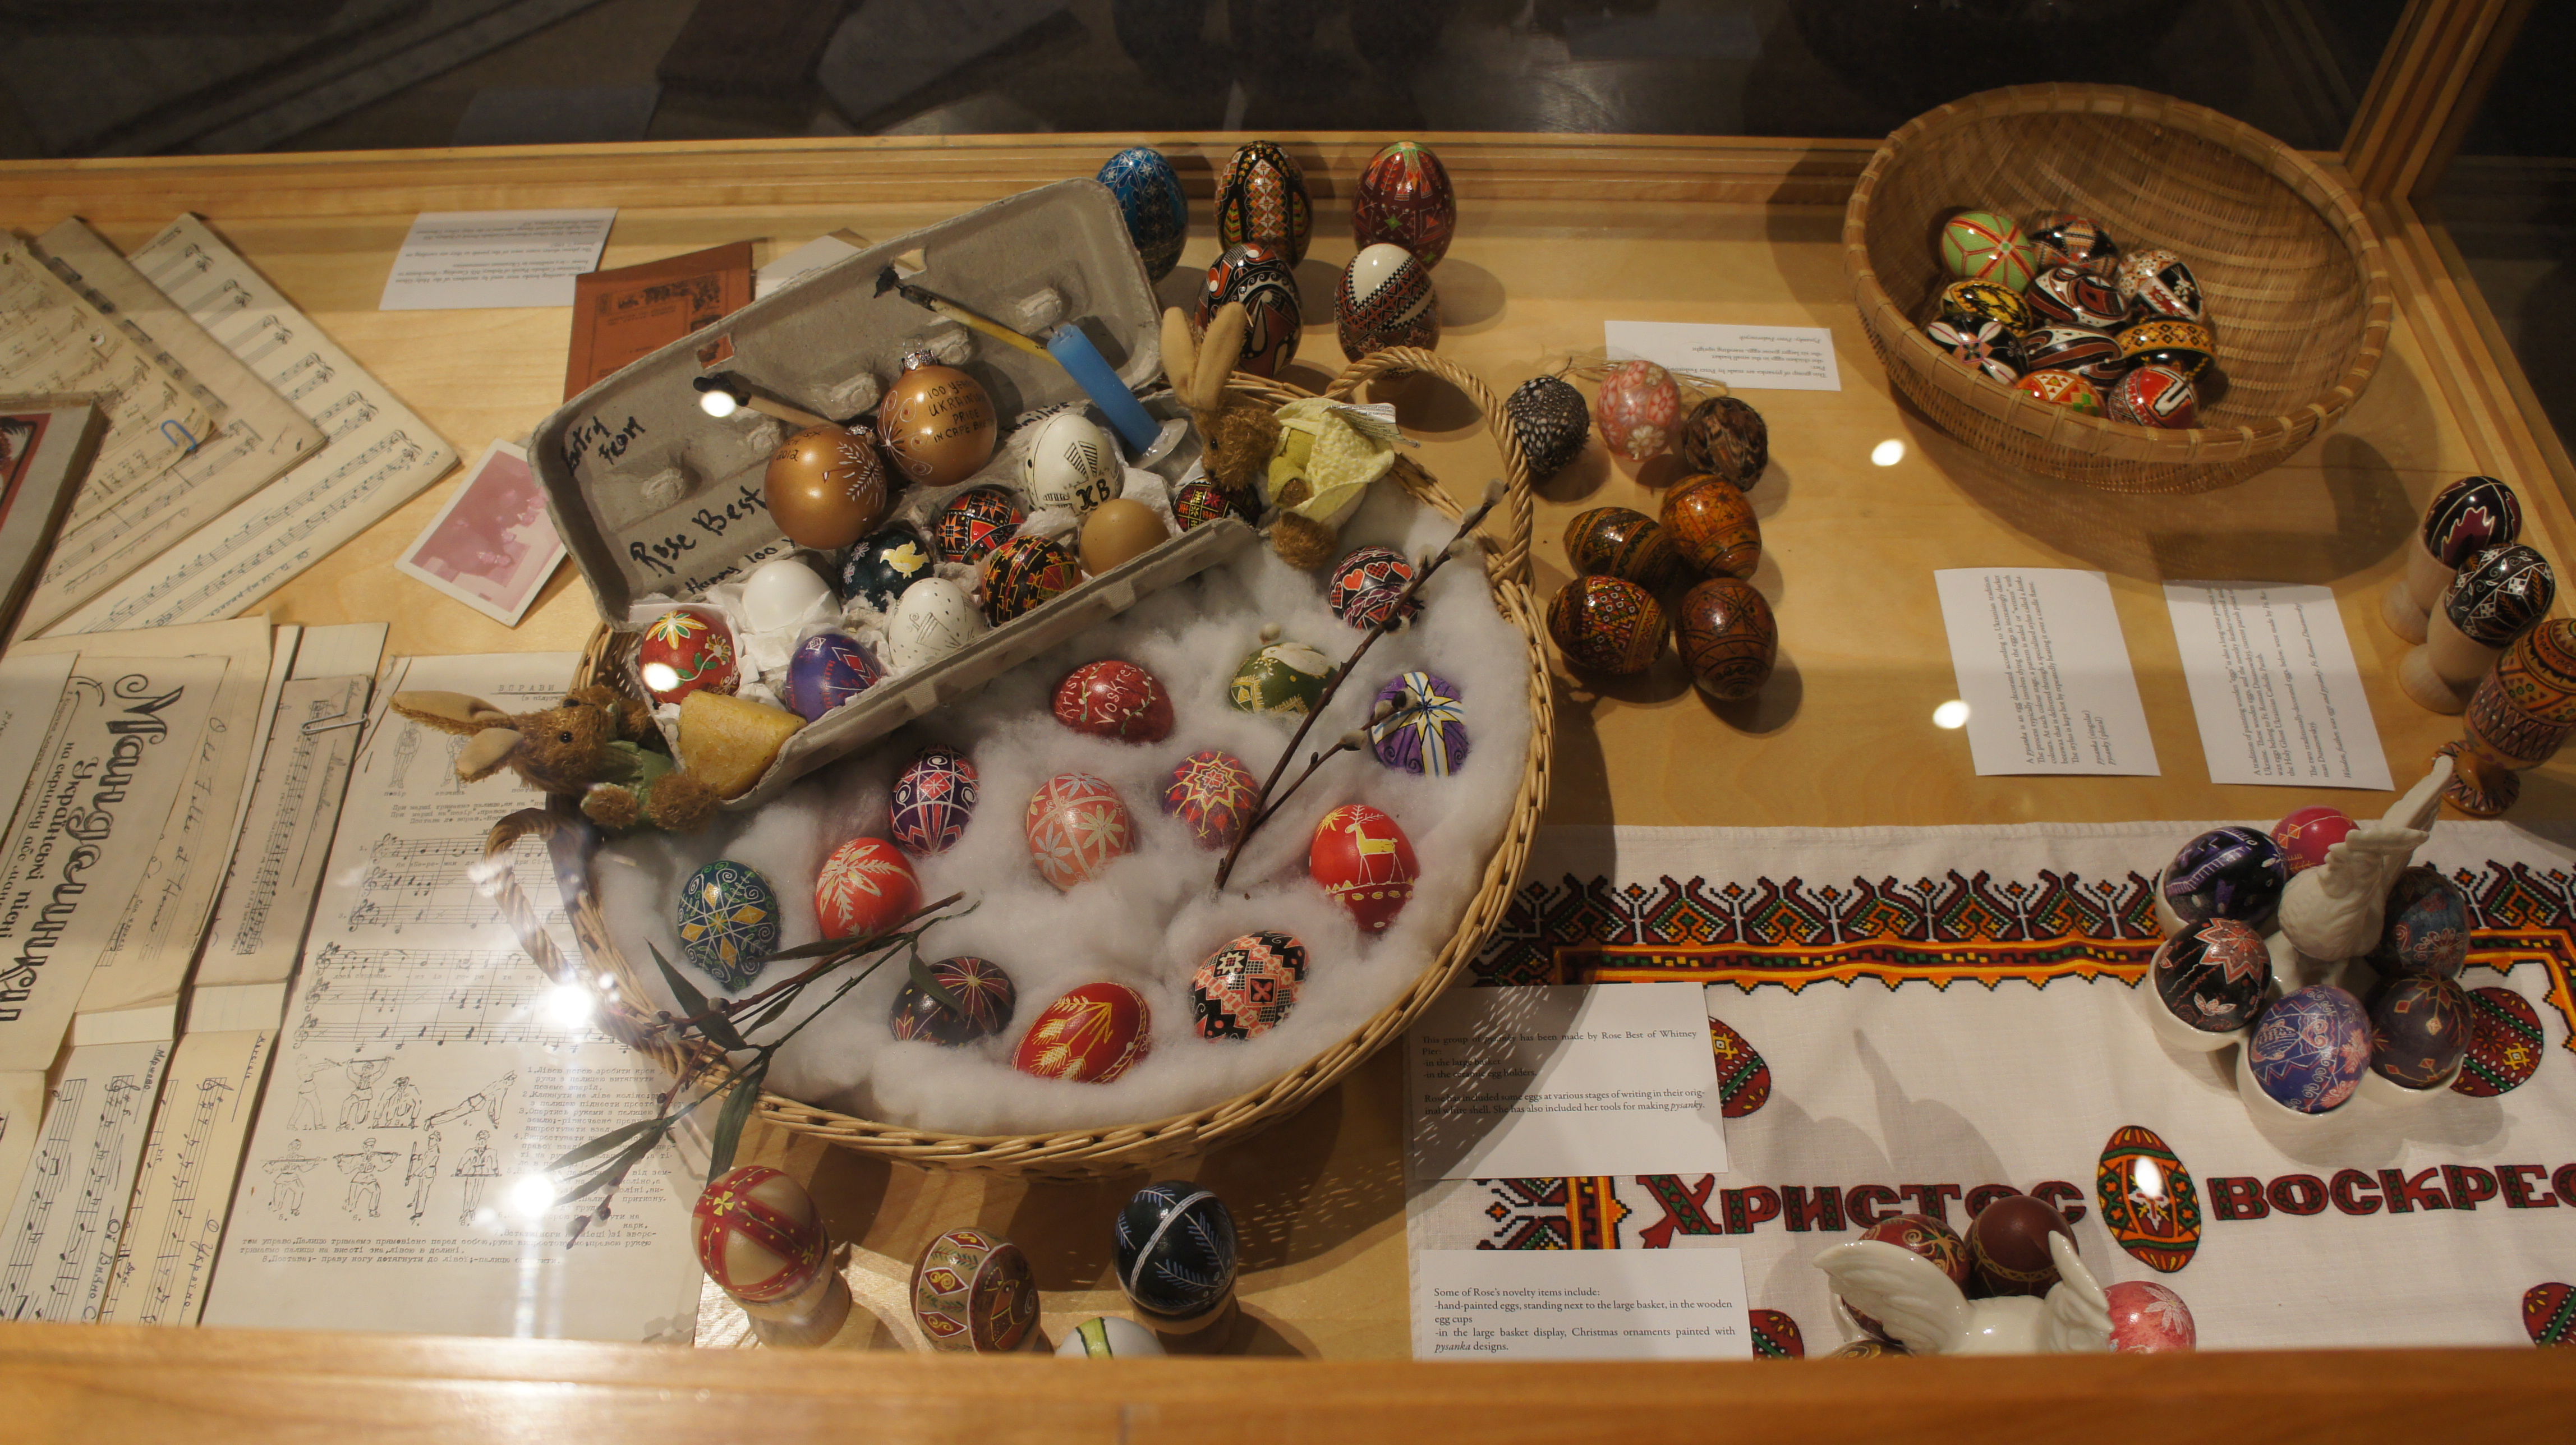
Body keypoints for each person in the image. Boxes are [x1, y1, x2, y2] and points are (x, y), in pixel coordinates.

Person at [454, 1130, 499, 1223]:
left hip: (482, 1174)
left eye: (484, 1140)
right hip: (472, 1174)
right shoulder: (470, 1152)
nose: (481, 1142)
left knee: (477, 1193)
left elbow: (494, 1162)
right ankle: (465, 1211)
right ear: (477, 1140)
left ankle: (472, 1210)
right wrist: (459, 1170)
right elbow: (463, 1161)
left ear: (486, 1141)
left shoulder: (491, 1152)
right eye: (480, 1139)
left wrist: (496, 1170)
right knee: (469, 1193)